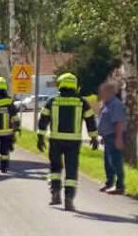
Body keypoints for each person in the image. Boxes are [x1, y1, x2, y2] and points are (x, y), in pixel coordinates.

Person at [37, 72, 99, 211]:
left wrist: (40, 137)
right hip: (73, 142)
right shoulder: (82, 102)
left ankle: (55, 194)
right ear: (74, 85)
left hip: (55, 141)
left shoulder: (52, 101)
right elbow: (90, 120)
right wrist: (94, 137)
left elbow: (43, 120)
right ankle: (69, 199)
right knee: (71, 170)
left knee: (55, 168)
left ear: (60, 85)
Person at [96, 81, 126, 195]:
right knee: (108, 162)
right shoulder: (106, 104)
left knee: (115, 161)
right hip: (108, 136)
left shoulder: (115, 104)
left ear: (110, 92)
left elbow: (118, 122)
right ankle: (109, 183)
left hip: (114, 136)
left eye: (103, 91)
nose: (101, 94)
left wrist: (119, 138)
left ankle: (119, 186)